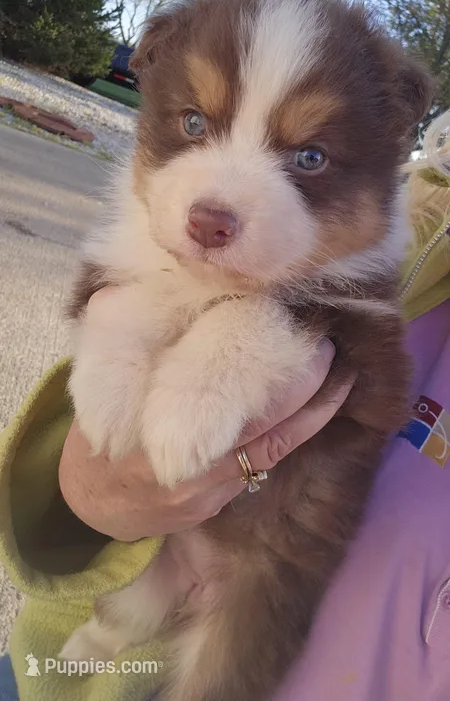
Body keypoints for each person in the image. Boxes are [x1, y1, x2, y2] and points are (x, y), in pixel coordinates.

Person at [0, 124, 448, 701]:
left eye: (308, 156)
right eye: (195, 125)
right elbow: (84, 461)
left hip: (242, 642)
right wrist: (86, 488)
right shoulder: (421, 223)